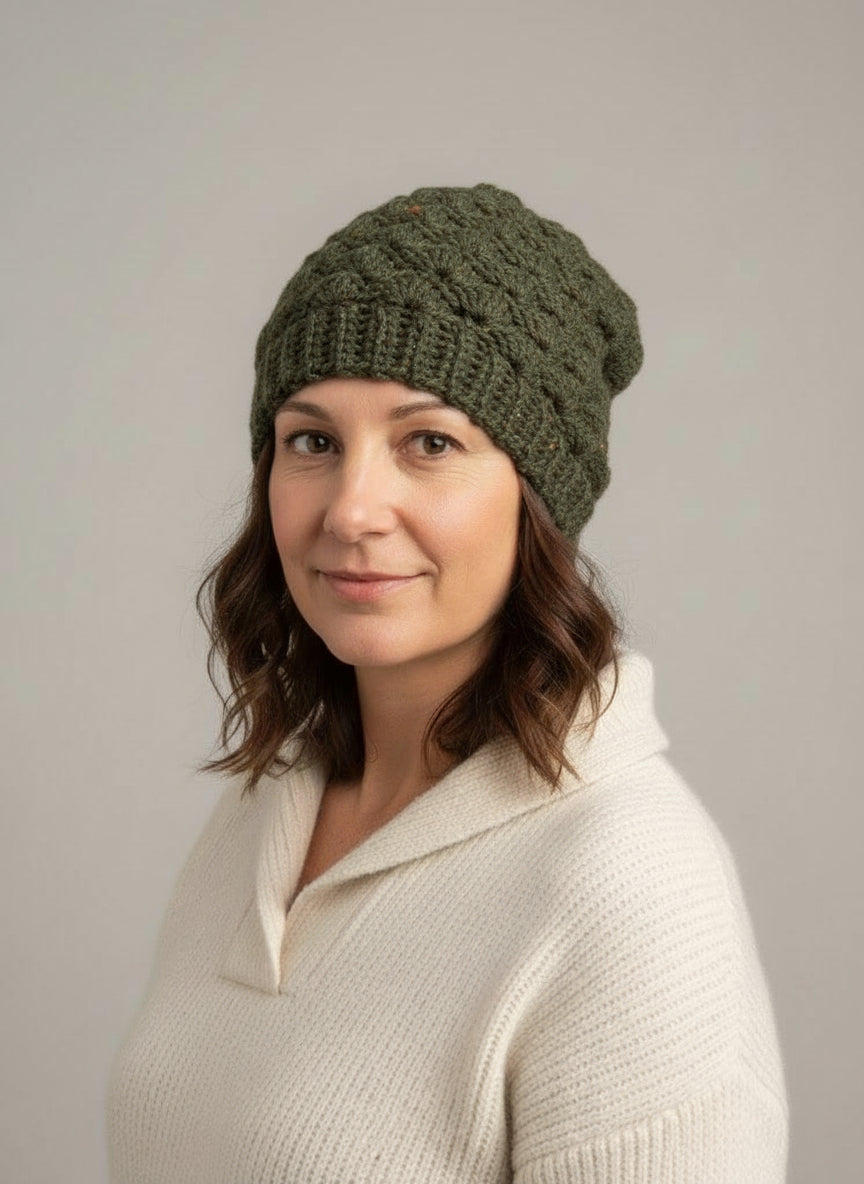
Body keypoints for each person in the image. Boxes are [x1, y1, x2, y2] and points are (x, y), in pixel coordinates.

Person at [106, 183, 789, 1183]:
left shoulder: (629, 884)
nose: (351, 509)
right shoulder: (264, 810)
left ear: (536, 499)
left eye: (429, 442)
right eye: (312, 441)